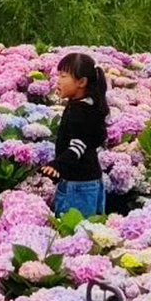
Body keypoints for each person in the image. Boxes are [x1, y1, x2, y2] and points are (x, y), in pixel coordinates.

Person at [40, 50, 109, 217]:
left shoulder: (79, 111)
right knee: (91, 232)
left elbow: (77, 146)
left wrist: (57, 164)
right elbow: (96, 138)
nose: (58, 80)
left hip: (78, 186)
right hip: (92, 180)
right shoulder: (90, 105)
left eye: (64, 76)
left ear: (82, 82)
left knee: (72, 233)